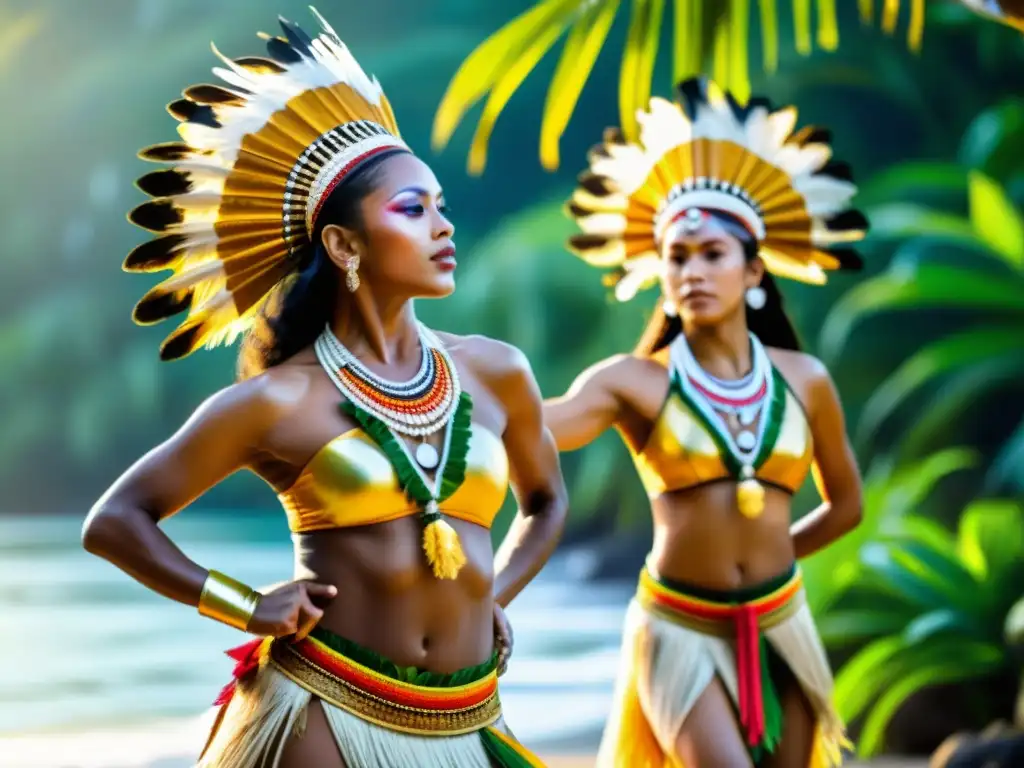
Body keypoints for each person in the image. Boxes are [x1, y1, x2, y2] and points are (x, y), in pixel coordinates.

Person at [81, 9, 567, 768]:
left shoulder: (497, 371)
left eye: (440, 206)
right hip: (327, 714)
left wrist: (493, 594)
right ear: (342, 244)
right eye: (412, 210)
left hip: (469, 718)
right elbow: (115, 521)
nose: (443, 227)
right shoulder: (277, 402)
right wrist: (244, 603)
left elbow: (547, 503)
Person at [544, 77, 868, 767]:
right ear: (660, 275)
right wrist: (448, 380)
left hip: (781, 617)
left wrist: (773, 554)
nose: (693, 270)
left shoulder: (805, 380)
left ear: (753, 272)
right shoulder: (635, 381)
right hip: (678, 627)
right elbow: (544, 425)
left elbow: (847, 506)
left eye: (713, 255)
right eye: (677, 258)